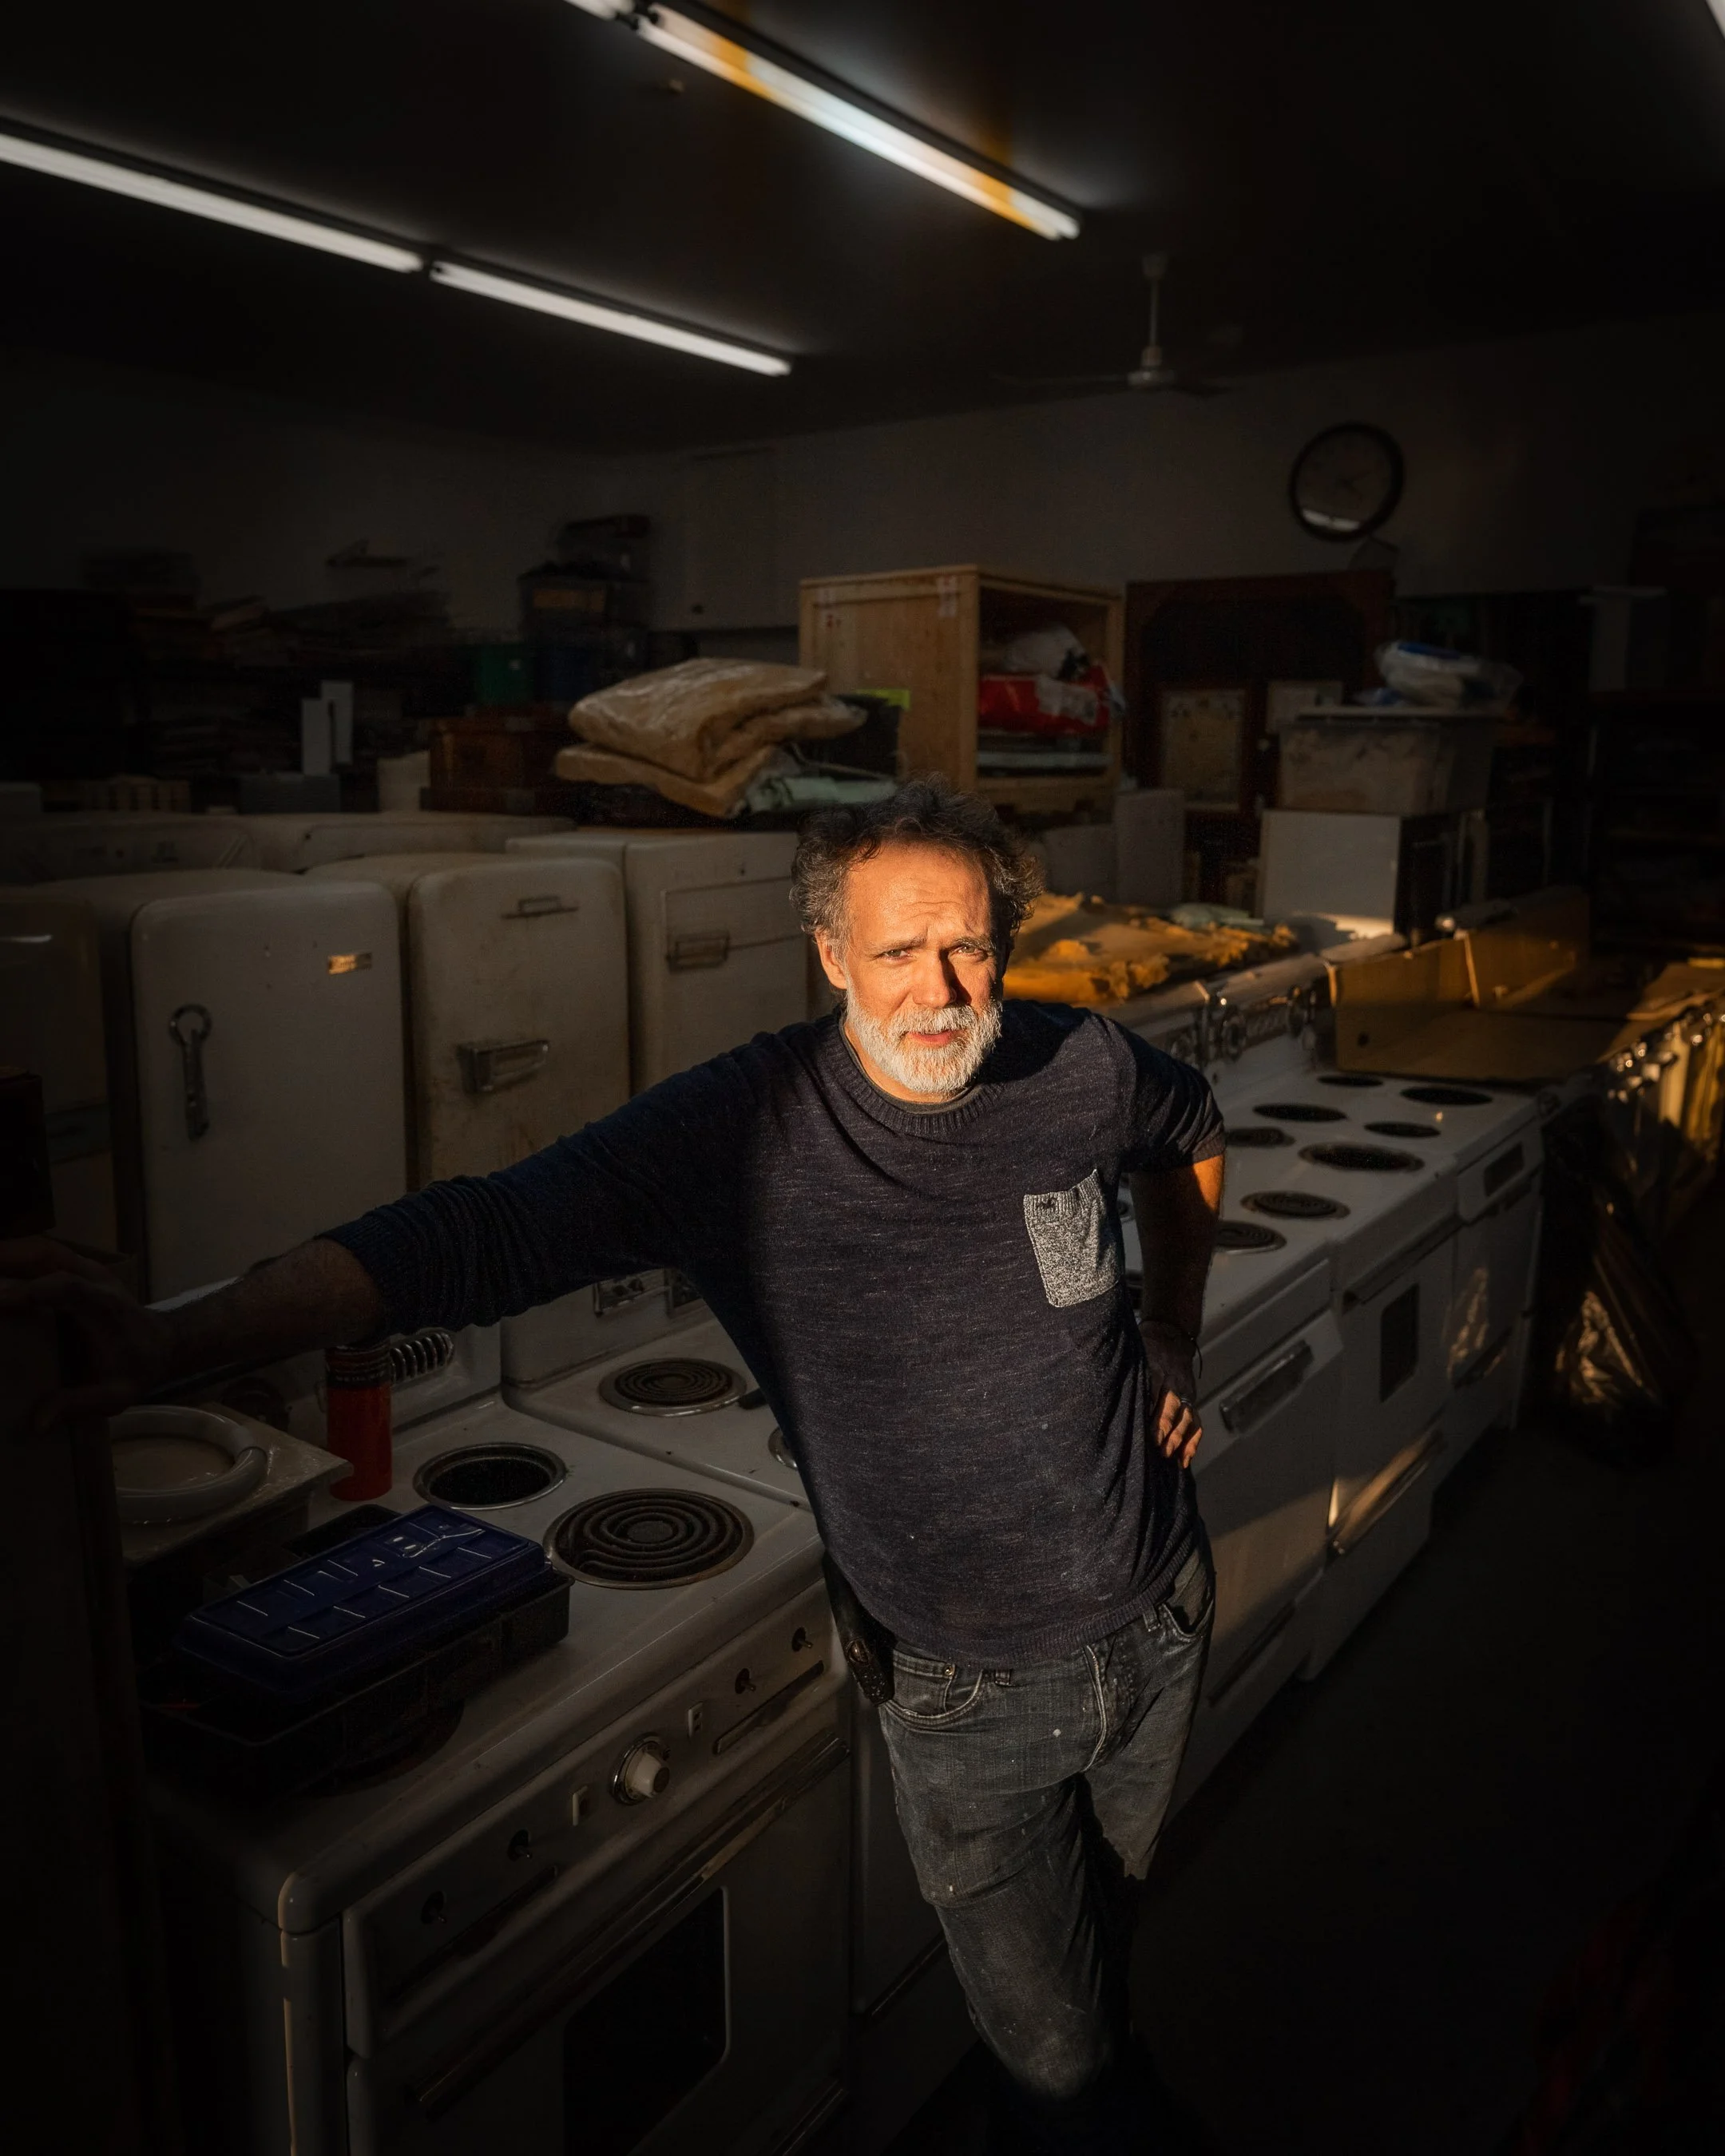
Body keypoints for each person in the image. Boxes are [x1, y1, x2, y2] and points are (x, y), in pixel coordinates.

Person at [7, 780, 1225, 2154]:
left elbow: (1189, 1130)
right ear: (830, 955)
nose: (942, 991)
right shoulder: (743, 1132)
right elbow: (474, 1236)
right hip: (968, 1687)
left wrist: (1170, 1333)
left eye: (970, 947)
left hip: (1158, 1616)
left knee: (1098, 1977)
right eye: (900, 951)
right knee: (1063, 2074)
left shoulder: (1076, 1064)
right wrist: (176, 1338)